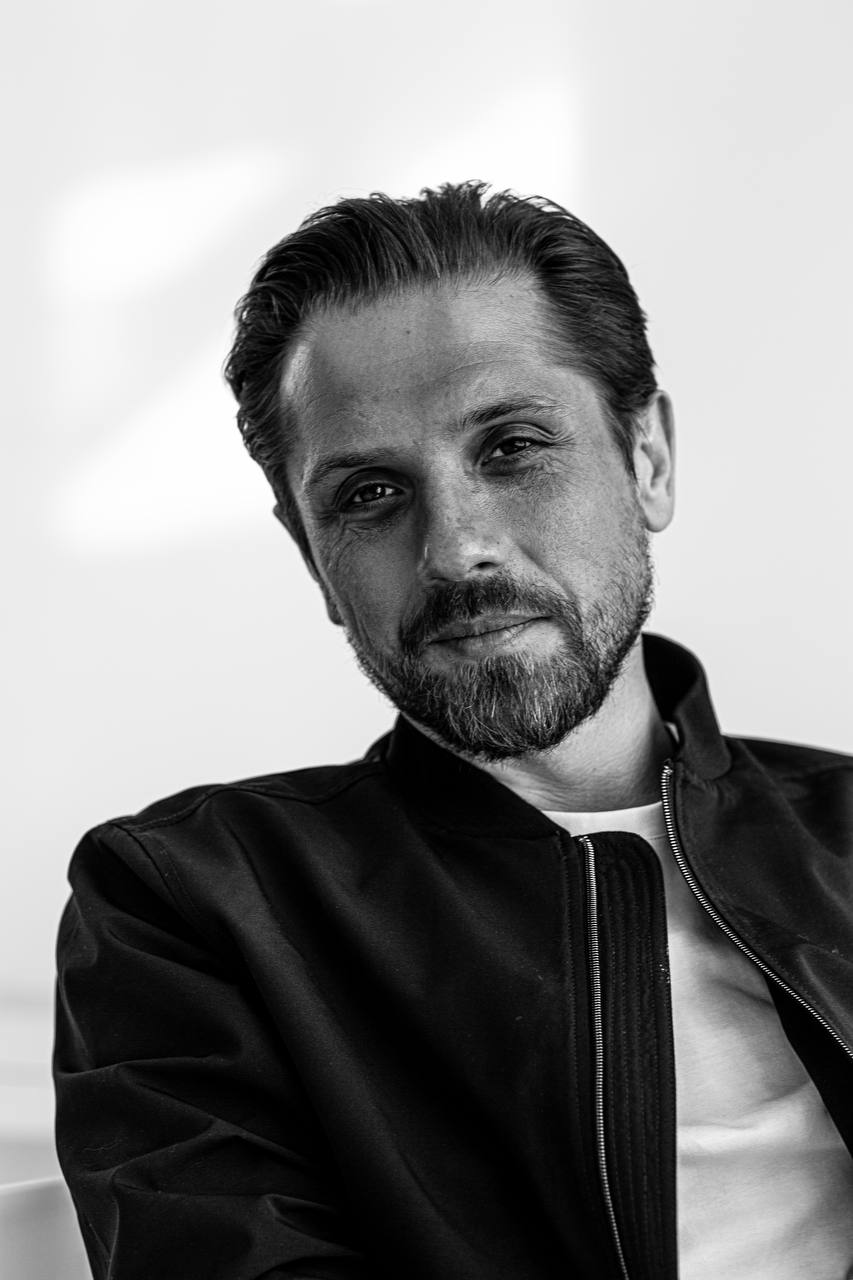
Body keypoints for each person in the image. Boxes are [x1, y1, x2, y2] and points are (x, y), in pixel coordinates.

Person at [54, 181, 853, 1280]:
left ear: (648, 462)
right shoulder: (196, 901)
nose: (456, 548)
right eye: (369, 493)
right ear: (310, 556)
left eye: (512, 446)